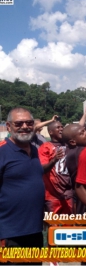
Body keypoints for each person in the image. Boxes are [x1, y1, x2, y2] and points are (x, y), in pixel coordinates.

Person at [0, 108, 45, 256]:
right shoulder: (2, 152)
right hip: (9, 233)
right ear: (8, 126)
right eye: (19, 123)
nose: (25, 127)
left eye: (29, 123)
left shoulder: (33, 149)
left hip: (34, 230)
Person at [38, 119, 73, 214]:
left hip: (68, 193)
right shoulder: (45, 147)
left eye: (62, 127)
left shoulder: (70, 144)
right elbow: (42, 169)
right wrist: (54, 160)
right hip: (52, 194)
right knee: (54, 226)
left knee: (69, 224)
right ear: (51, 132)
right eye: (58, 127)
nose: (61, 129)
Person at [63, 124, 86, 214]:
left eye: (85, 130)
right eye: (82, 133)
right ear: (72, 142)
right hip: (85, 197)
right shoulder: (79, 151)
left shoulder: (75, 151)